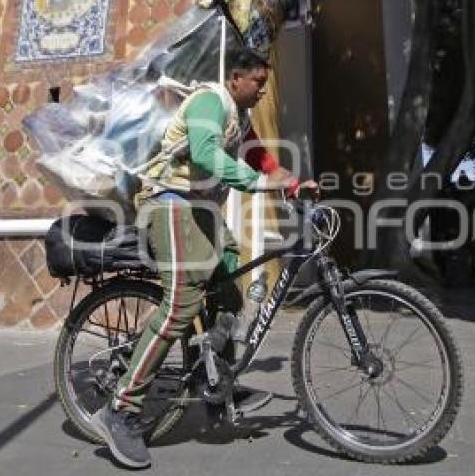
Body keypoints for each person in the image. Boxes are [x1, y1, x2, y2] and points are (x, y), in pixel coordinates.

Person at [91, 48, 317, 468]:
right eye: (258, 83)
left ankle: (217, 384)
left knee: (229, 294)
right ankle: (120, 408)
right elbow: (206, 154)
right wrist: (262, 184)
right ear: (235, 78)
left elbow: (258, 156)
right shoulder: (210, 101)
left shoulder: (237, 116)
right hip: (169, 203)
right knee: (182, 303)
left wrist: (290, 180)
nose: (263, 92)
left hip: (201, 210)